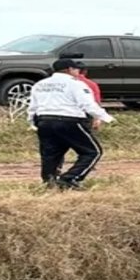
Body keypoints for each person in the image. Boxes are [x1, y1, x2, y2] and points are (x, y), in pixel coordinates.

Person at [27, 58, 114, 190]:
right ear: (70, 69)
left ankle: (49, 181)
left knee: (51, 154)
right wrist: (107, 118)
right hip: (69, 120)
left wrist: (33, 123)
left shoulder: (40, 84)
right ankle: (69, 179)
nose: (78, 72)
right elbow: (87, 104)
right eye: (76, 69)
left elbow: (32, 106)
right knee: (92, 152)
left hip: (44, 120)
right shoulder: (76, 84)